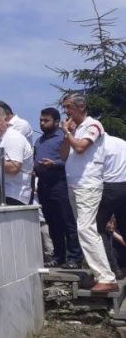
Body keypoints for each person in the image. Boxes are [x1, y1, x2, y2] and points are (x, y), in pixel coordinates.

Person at [61, 93, 117, 292]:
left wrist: (68, 133)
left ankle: (106, 277)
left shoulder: (94, 125)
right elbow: (64, 153)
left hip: (88, 184)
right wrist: (68, 134)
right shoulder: (75, 129)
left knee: (86, 229)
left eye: (69, 107)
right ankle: (97, 273)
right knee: (83, 229)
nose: (66, 112)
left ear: (81, 107)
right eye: (65, 107)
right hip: (74, 184)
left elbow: (81, 148)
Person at [33, 107, 82, 268]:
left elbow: (72, 159)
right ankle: (59, 255)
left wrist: (55, 163)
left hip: (60, 183)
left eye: (46, 120)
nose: (42, 123)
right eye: (41, 120)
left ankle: (74, 257)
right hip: (43, 184)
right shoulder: (39, 141)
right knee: (52, 222)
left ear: (55, 121)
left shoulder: (63, 137)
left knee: (67, 221)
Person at [98, 133, 126, 278]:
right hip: (124, 185)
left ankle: (114, 269)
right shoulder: (121, 142)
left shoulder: (100, 145)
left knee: (98, 229)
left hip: (109, 187)